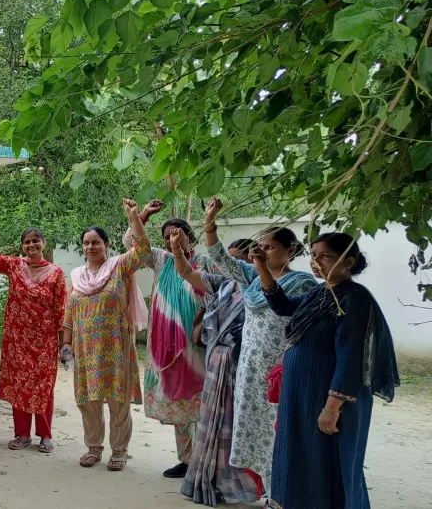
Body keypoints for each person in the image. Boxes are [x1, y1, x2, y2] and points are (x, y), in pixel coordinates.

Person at [262, 232, 397, 509]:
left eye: (324, 256)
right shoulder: (321, 292)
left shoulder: (354, 299)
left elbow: (351, 356)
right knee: (299, 455)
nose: (316, 262)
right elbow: (283, 306)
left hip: (327, 397)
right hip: (301, 394)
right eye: (313, 255)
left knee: (326, 460)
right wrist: (262, 268)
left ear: (348, 262)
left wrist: (332, 408)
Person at [199, 199, 316, 482]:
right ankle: (265, 489)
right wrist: (209, 221)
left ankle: (282, 489)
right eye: (260, 247)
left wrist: (261, 268)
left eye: (270, 248)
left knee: (278, 429)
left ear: (290, 252)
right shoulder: (251, 276)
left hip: (278, 369)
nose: (261, 253)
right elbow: (219, 257)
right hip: (250, 367)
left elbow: (280, 303)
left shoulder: (303, 283)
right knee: (253, 429)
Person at [168, 228, 261, 506]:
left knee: (235, 424)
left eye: (235, 260)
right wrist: (177, 250)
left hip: (242, 365)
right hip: (217, 362)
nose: (227, 265)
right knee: (213, 423)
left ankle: (241, 485)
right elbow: (186, 272)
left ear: (251, 261)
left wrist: (209, 226)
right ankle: (213, 480)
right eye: (226, 259)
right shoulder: (222, 284)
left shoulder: (257, 288)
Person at [129, 200, 220, 478]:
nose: (172, 240)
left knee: (201, 401)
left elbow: (218, 295)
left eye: (177, 234)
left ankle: (207, 461)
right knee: (179, 402)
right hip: (165, 345)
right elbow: (132, 244)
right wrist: (141, 215)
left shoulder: (204, 262)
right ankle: (187, 460)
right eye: (167, 236)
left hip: (196, 343)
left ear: (190, 236)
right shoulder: (161, 260)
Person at [61, 199, 151, 471]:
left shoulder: (119, 267)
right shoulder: (77, 276)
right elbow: (69, 314)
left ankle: (119, 451)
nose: (91, 247)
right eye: (86, 243)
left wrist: (135, 217)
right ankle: (93, 447)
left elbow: (142, 251)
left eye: (96, 242)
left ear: (106, 245)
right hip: (85, 350)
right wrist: (66, 344)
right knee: (88, 401)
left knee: (117, 399)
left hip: (115, 347)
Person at [0, 226, 66, 453]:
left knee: (44, 388)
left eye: (35, 240)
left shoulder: (56, 273)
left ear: (44, 243)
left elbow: (61, 310)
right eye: (27, 242)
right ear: (22, 246)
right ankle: (22, 434)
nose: (31, 245)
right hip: (17, 341)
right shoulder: (14, 265)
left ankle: (45, 435)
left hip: (45, 342)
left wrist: (64, 344)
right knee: (19, 386)